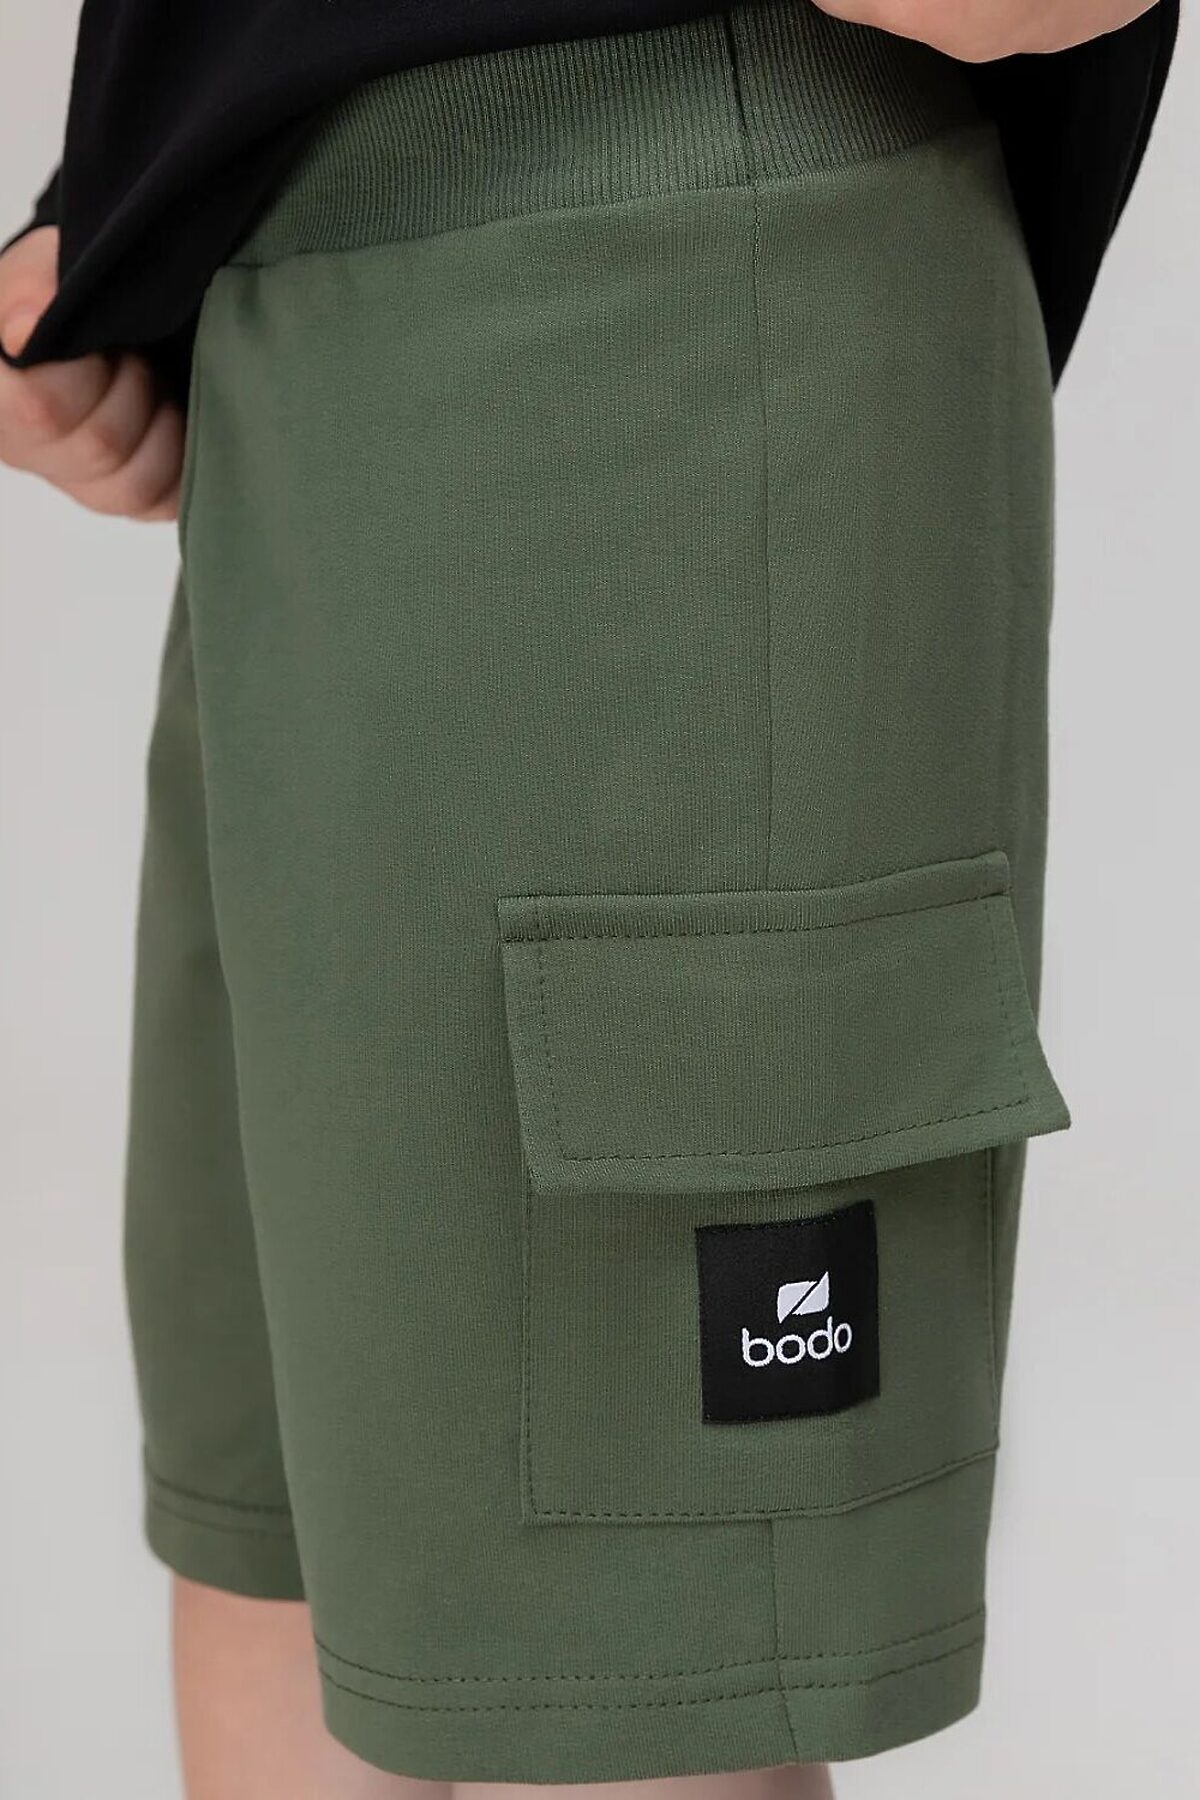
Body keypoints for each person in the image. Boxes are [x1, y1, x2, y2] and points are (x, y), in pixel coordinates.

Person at [0, 3, 1176, 1797]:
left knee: (625, 1683)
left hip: (665, 282)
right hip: (292, 270)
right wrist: (142, 167)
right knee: (294, 1566)